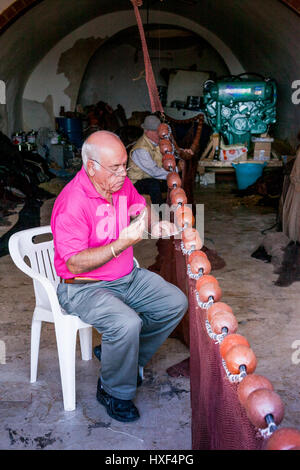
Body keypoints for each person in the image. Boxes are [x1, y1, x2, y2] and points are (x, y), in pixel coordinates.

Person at [51, 131, 188, 423]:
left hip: (127, 277)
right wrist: (120, 245)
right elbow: (74, 264)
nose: (123, 173)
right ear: (91, 167)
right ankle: (113, 391)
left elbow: (142, 205)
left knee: (175, 302)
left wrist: (155, 225)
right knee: (127, 323)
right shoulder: (71, 203)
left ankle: (125, 358)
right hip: (84, 287)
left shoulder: (120, 184)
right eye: (115, 168)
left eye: (124, 165)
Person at [128, 115, 169, 205]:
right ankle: (159, 213)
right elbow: (154, 172)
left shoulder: (156, 143)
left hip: (149, 177)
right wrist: (173, 172)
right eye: (156, 131)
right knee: (153, 184)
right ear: (147, 131)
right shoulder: (141, 149)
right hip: (136, 182)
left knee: (168, 183)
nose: (159, 134)